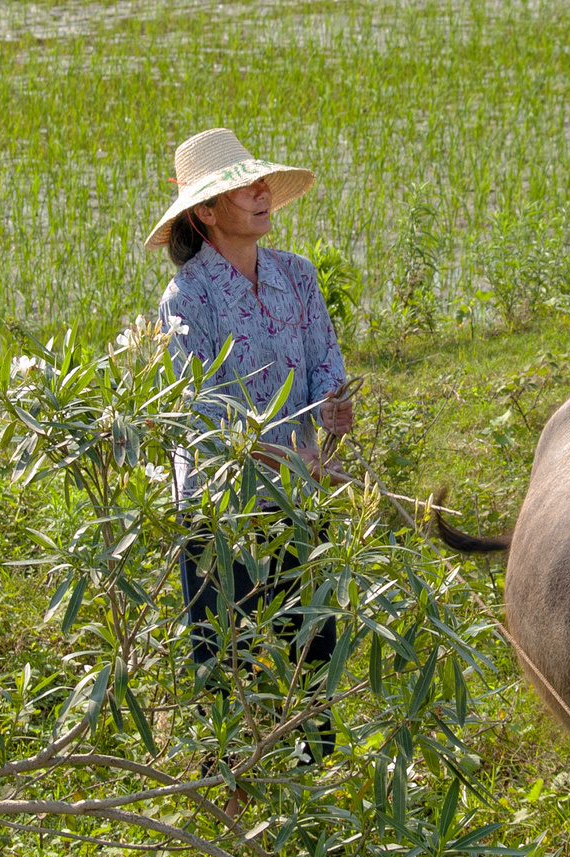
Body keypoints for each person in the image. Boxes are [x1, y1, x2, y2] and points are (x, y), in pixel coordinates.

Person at [144, 127, 354, 761]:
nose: (263, 193)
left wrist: (334, 426)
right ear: (206, 212)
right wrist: (291, 455)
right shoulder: (187, 298)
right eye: (244, 188)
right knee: (231, 662)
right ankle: (238, 809)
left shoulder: (297, 276)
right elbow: (206, 415)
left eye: (261, 182)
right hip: (223, 511)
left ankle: (315, 797)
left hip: (300, 500)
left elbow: (327, 370)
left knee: (309, 647)